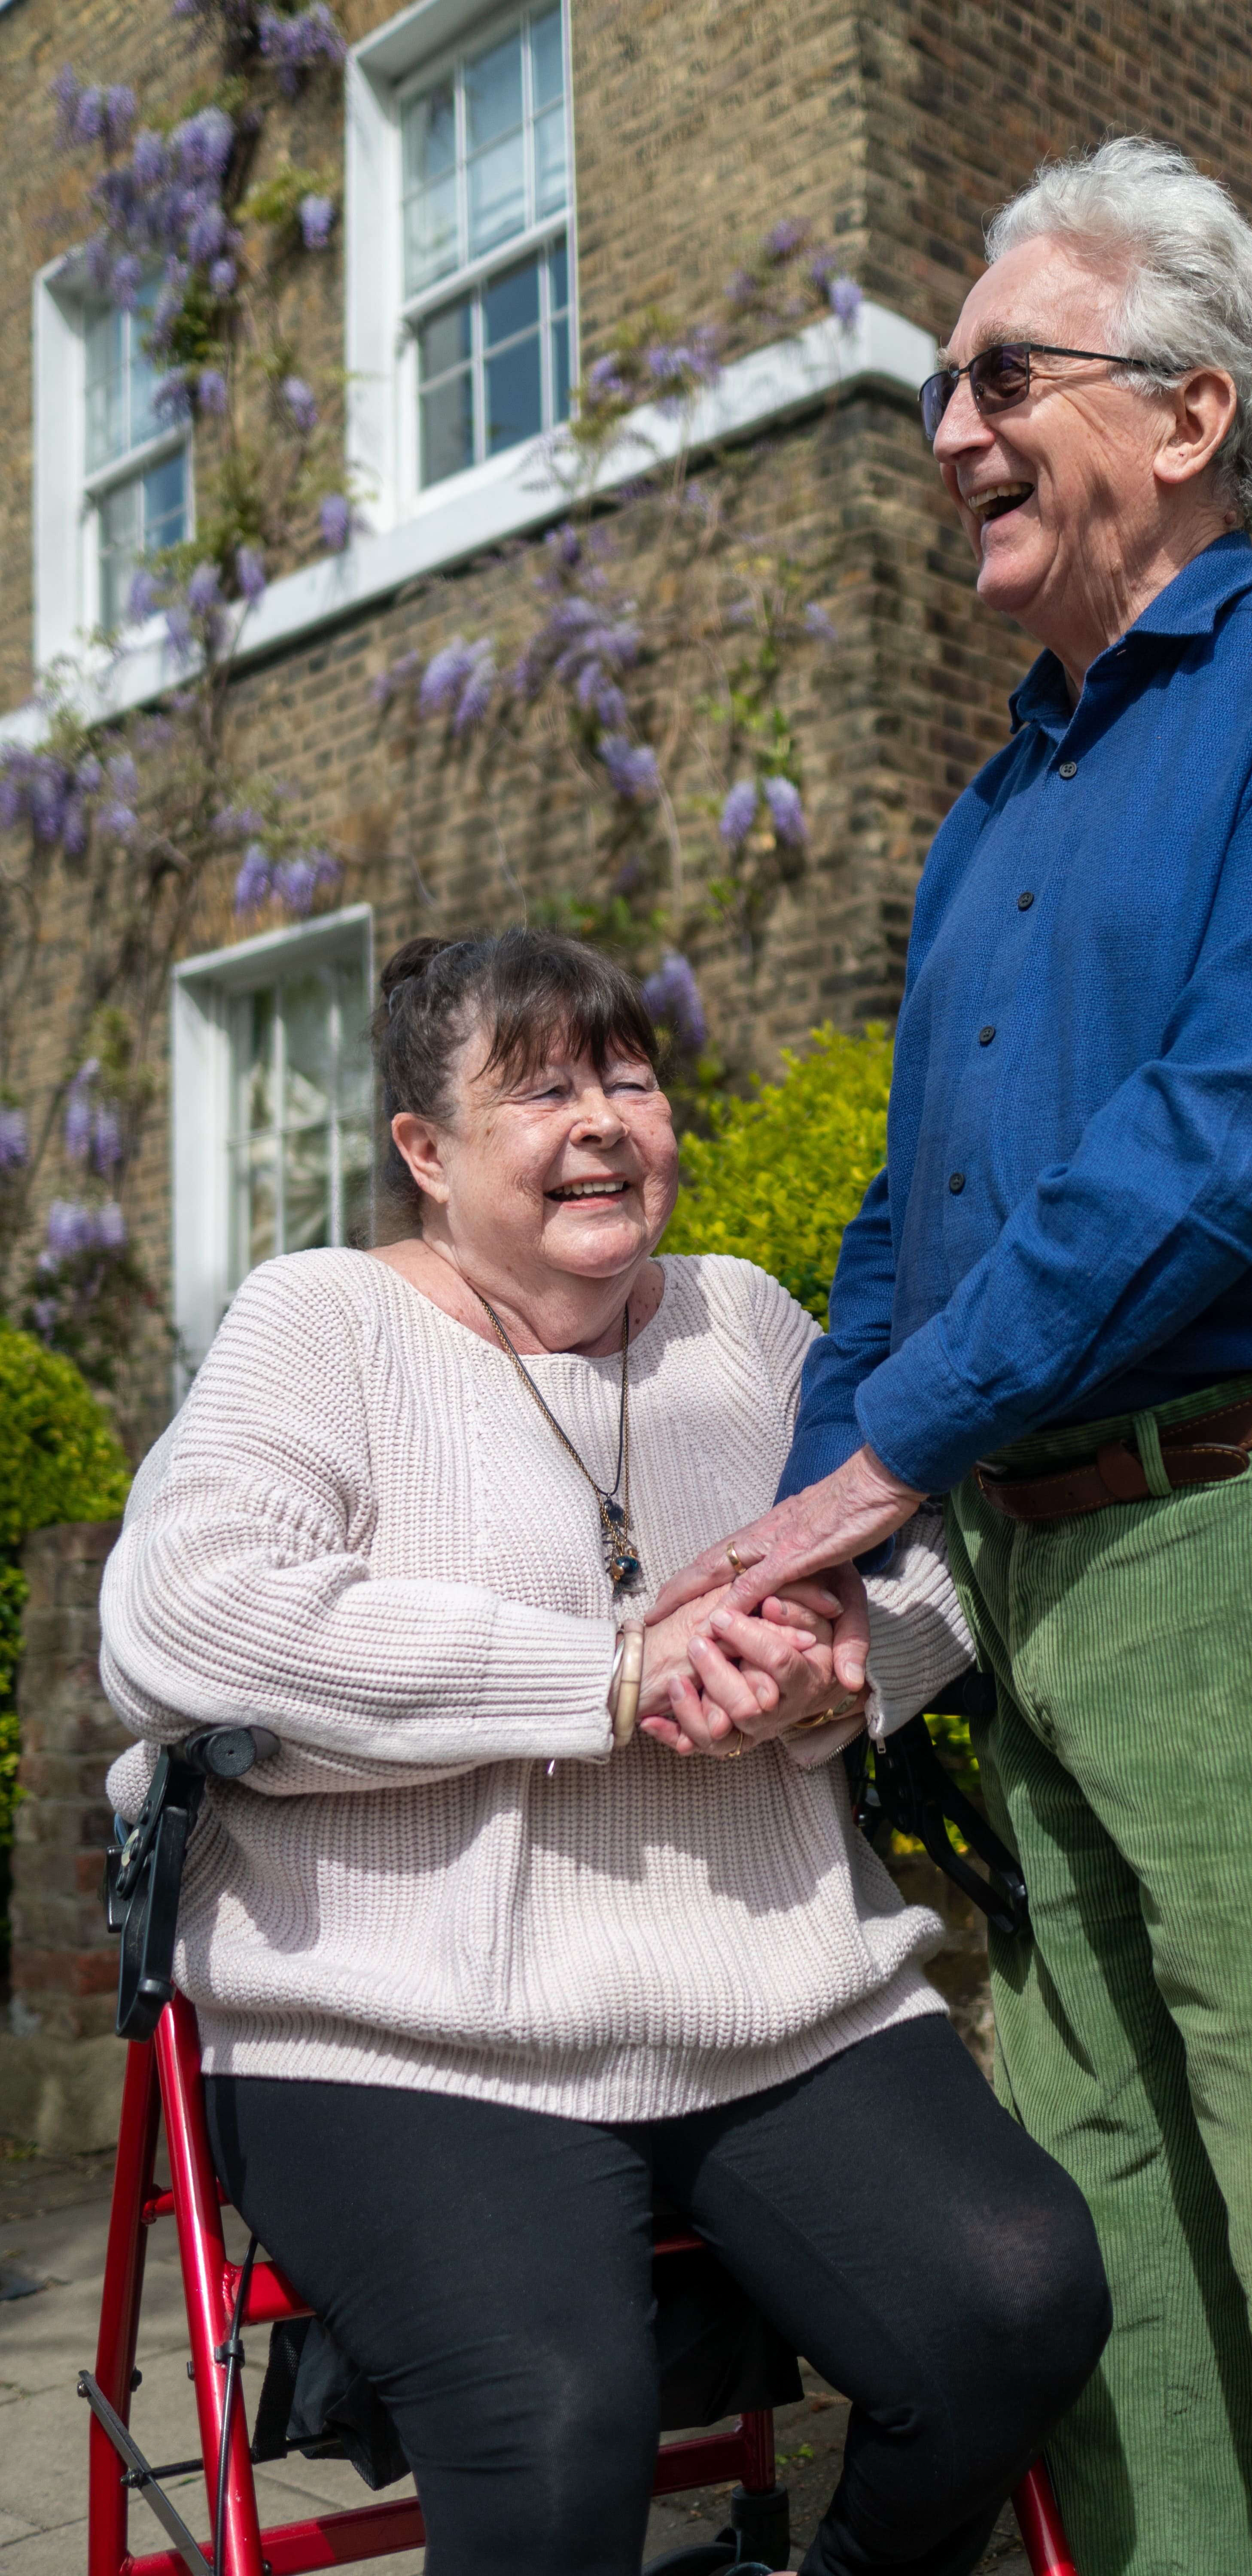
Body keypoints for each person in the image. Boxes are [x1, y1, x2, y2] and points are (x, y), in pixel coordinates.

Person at [651, 139, 1252, 2576]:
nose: (947, 429)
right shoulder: (986, 814)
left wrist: (874, 1477)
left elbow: (1242, 1138)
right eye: (945, 386)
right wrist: (841, 1534)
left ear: (1182, 413)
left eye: (996, 376)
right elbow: (904, 1224)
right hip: (1040, 1580)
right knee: (1111, 2284)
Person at [99, 927, 1111, 2576]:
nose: (604, 1122)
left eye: (628, 1079)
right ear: (423, 1155)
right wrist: (608, 1673)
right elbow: (182, 1624)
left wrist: (846, 1673)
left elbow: (934, 1566)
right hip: (403, 2024)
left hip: (773, 1989)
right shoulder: (323, 1325)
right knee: (559, 2426)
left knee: (1018, 2301)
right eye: (543, 1091)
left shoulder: (745, 1322)